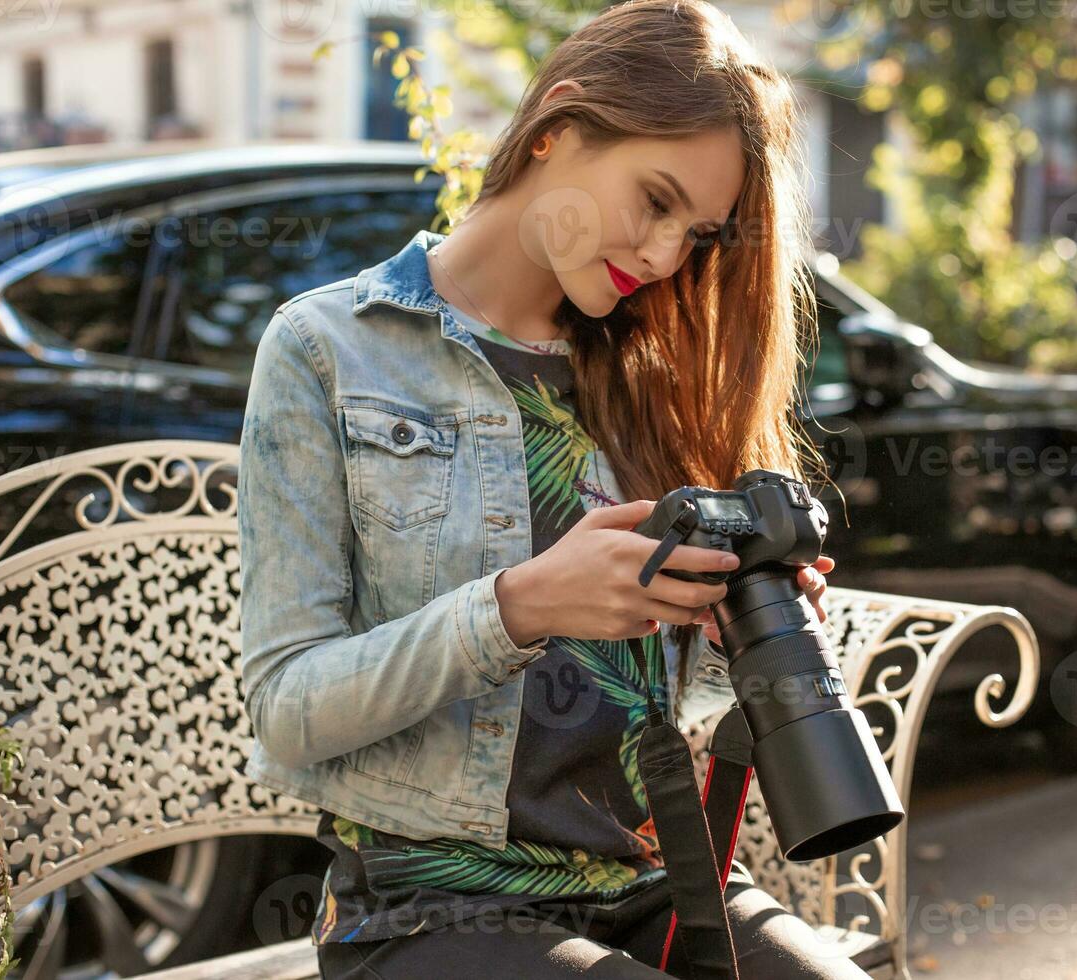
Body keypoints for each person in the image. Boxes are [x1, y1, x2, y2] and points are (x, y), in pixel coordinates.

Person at [237, 1, 855, 975]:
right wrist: (516, 606)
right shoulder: (327, 349)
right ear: (557, 128)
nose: (662, 257)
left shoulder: (647, 378)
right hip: (425, 904)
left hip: (659, 875)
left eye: (693, 234)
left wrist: (729, 625)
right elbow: (287, 703)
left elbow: (647, 698)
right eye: (654, 200)